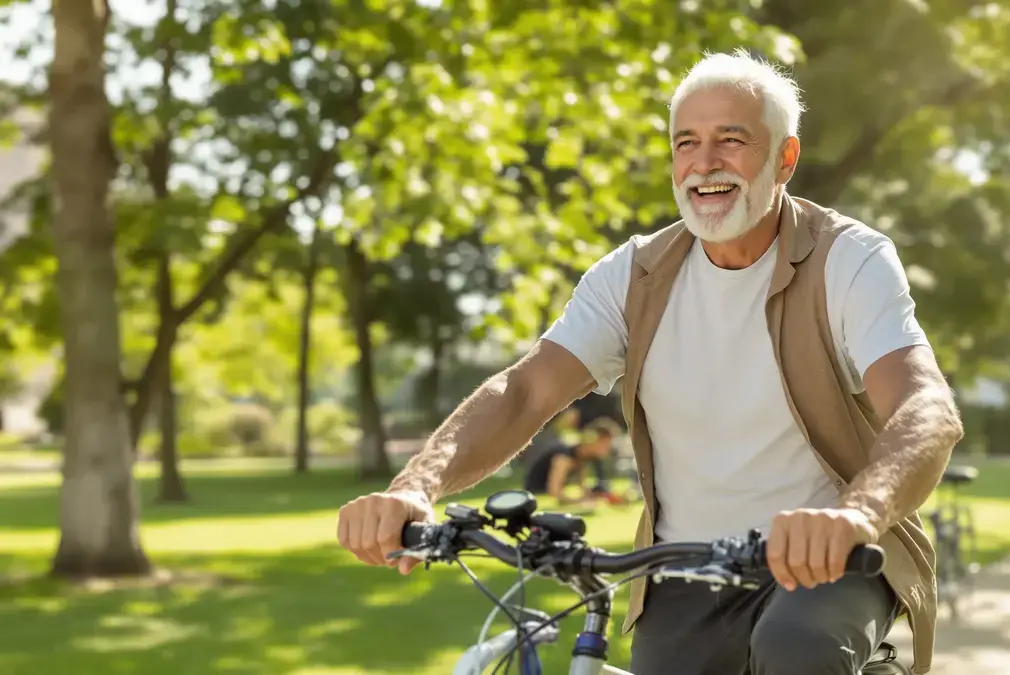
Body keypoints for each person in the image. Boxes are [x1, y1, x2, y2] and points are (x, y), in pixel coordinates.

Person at [337, 49, 961, 675]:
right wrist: (414, 486)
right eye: (685, 142)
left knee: (798, 649)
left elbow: (925, 408)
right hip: (683, 569)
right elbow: (525, 392)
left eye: (731, 140)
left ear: (785, 158)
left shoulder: (848, 260)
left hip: (832, 562)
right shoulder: (633, 275)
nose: (704, 162)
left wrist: (856, 514)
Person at [522, 417, 622, 504]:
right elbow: (554, 492)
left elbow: (583, 488)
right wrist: (579, 501)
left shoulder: (582, 458)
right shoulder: (563, 457)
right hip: (535, 497)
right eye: (604, 445)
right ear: (591, 439)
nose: (607, 450)